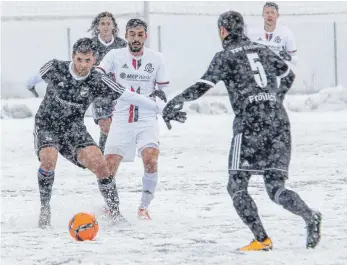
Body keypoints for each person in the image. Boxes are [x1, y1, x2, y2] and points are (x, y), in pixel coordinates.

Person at [162, 11, 321, 251]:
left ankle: (262, 239)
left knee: (236, 185)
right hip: (278, 120)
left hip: (250, 122)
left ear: (222, 31)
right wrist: (276, 97)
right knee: (276, 188)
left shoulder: (225, 56)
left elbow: (203, 85)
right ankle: (310, 216)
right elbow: (288, 73)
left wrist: (176, 100)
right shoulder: (262, 49)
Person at [26, 37, 167, 228]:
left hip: (74, 127)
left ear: (94, 60)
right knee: (49, 160)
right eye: (79, 59)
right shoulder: (55, 68)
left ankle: (115, 213)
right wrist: (31, 86)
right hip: (47, 124)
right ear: (73, 57)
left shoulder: (98, 80)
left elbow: (129, 96)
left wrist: (161, 109)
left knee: (101, 166)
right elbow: (32, 79)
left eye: (87, 60)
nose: (82, 65)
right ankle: (45, 210)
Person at [93, 19, 180, 220]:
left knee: (151, 159)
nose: (136, 38)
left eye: (140, 34)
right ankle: (111, 207)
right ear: (126, 35)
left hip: (147, 118)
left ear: (145, 36)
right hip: (121, 118)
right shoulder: (114, 55)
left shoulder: (156, 58)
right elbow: (98, 74)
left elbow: (161, 90)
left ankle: (143, 207)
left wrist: (162, 104)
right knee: (107, 168)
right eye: (132, 34)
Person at [88, 11, 128, 153]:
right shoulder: (90, 45)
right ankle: (104, 161)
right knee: (105, 126)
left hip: (118, 91)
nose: (105, 27)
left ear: (113, 26)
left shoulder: (122, 45)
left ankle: (109, 157)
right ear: (97, 26)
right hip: (98, 93)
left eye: (108, 23)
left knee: (116, 127)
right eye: (102, 23)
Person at [247, 2, 298, 67]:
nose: (270, 15)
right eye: (267, 12)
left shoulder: (286, 32)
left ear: (277, 15)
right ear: (263, 15)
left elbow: (295, 60)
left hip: (279, 72)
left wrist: (288, 57)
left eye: (272, 12)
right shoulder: (252, 33)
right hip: (261, 72)